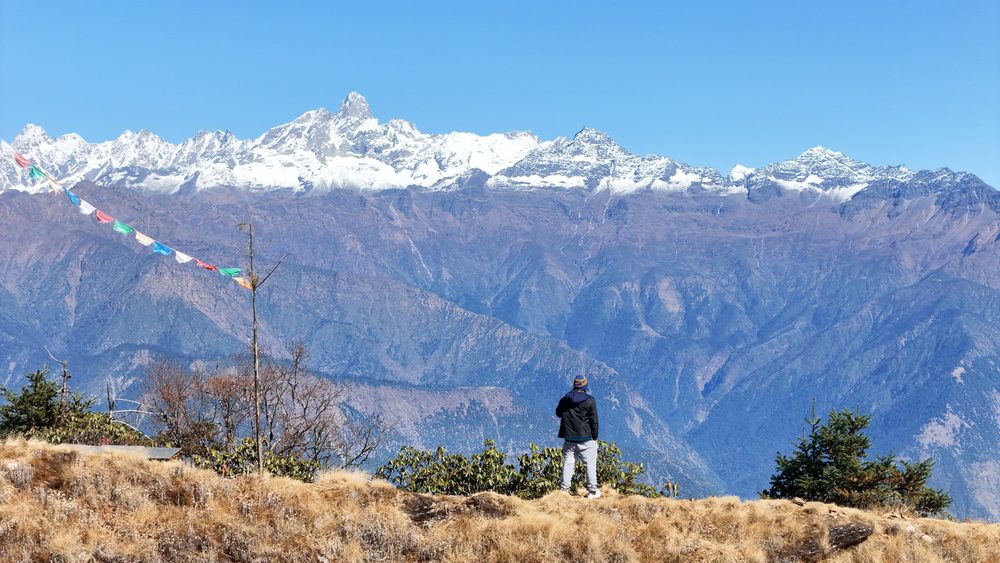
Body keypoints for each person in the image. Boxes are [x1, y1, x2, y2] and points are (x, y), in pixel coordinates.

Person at [555, 375, 600, 498]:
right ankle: (592, 491)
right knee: (589, 464)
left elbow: (558, 413)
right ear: (585, 386)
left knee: (568, 463)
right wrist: (594, 437)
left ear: (574, 385)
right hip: (586, 438)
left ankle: (564, 491)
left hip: (569, 438)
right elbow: (594, 421)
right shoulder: (590, 401)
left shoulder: (565, 399)